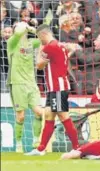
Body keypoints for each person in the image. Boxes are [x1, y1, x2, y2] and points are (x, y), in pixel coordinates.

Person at [25, 24, 79, 156]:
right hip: (54, 88)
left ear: (43, 35)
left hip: (58, 87)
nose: (40, 41)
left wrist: (39, 50)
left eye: (39, 37)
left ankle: (77, 147)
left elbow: (38, 65)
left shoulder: (50, 46)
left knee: (63, 116)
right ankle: (41, 149)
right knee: (49, 116)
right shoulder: (60, 46)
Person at [6, 22, 44, 152]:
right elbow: (17, 33)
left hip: (31, 83)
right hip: (17, 83)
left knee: (39, 112)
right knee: (20, 116)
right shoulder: (12, 42)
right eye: (19, 26)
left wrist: (33, 29)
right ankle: (18, 143)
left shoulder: (31, 43)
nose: (23, 28)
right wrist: (24, 26)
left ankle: (36, 140)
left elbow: (43, 38)